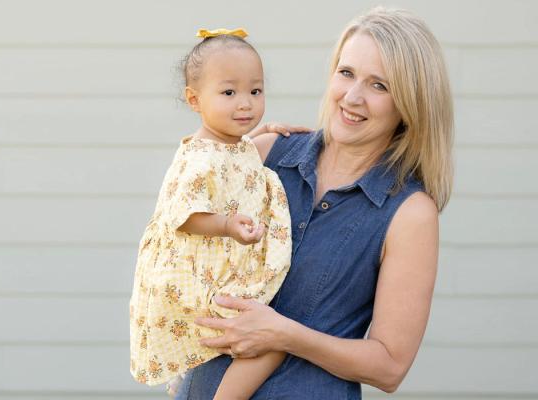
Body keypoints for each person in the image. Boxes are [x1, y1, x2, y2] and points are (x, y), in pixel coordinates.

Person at [175, 7, 454, 399]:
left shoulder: (410, 213)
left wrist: (285, 334)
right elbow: (183, 230)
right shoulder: (268, 152)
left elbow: (390, 367)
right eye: (347, 73)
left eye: (380, 86)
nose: (353, 97)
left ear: (410, 103)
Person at [129, 28, 310, 399]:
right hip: (193, 274)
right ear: (195, 100)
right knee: (259, 337)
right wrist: (226, 224)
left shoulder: (233, 143)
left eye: (255, 91)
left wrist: (264, 132)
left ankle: (191, 370)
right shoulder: (198, 158)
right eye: (229, 93)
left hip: (219, 268)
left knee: (253, 330)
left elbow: (237, 157)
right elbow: (183, 215)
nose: (245, 103)